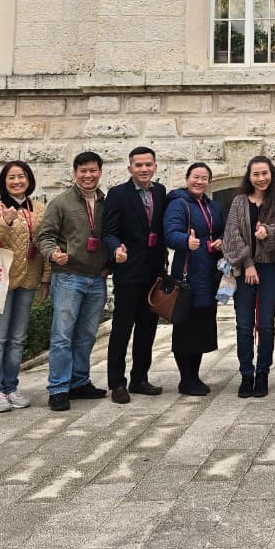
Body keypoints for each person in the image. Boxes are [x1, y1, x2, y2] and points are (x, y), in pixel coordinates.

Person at [37, 151, 109, 412]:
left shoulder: (106, 202)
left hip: (97, 279)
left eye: (93, 170)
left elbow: (112, 236)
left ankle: (79, 382)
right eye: (83, 171)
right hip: (68, 276)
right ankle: (58, 388)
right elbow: (45, 236)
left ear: (100, 172)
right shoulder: (61, 202)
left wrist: (110, 264)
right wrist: (52, 254)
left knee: (87, 335)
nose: (88, 175)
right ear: (75, 173)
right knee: (62, 336)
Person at [0, 159, 46, 411]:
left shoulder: (39, 209)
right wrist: (4, 222)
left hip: (28, 280)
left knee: (17, 339)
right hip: (0, 281)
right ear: (4, 182)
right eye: (11, 177)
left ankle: (10, 387)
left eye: (22, 176)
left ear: (29, 180)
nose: (17, 181)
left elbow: (46, 243)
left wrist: (46, 277)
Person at [102, 146, 170, 404]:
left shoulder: (160, 191)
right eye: (138, 165)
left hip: (154, 272)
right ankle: (117, 383)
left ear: (155, 167)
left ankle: (139, 379)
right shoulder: (118, 194)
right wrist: (115, 248)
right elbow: (108, 231)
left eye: (148, 164)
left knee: (147, 329)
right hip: (129, 271)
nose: (144, 169)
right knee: (122, 329)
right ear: (130, 168)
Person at [222, 155, 275, 398]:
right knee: (244, 325)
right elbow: (231, 234)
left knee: (266, 324)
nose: (261, 178)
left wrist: (267, 232)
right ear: (249, 177)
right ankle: (246, 374)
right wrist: (248, 263)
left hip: (270, 268)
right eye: (256, 174)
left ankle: (262, 373)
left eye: (265, 173)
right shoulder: (239, 201)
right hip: (243, 269)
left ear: (272, 174)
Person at [164, 162, 224, 396]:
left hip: (208, 274)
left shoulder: (213, 206)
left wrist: (220, 241)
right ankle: (185, 379)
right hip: (188, 275)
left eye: (204, 178)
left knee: (201, 328)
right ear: (187, 178)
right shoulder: (178, 204)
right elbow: (170, 234)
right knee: (185, 329)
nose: (199, 181)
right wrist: (185, 241)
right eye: (195, 177)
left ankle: (195, 376)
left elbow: (220, 230)